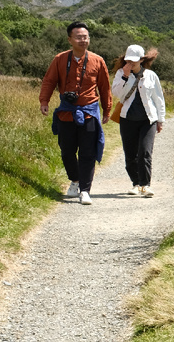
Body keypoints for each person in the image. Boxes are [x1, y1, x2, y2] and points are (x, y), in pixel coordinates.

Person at [40, 22, 111, 205]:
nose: (83, 40)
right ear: (69, 39)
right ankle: (75, 180)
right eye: (79, 37)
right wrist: (44, 101)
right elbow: (49, 81)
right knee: (67, 151)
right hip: (66, 112)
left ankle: (85, 190)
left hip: (89, 111)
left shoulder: (98, 60)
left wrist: (107, 109)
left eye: (85, 37)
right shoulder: (60, 59)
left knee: (87, 152)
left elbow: (104, 88)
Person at [111, 44, 166, 197]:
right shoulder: (121, 74)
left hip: (148, 120)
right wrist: (125, 77)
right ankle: (135, 184)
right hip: (127, 119)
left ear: (142, 60)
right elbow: (117, 93)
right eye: (129, 60)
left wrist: (160, 120)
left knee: (145, 151)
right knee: (130, 154)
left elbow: (159, 99)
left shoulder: (151, 75)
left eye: (135, 60)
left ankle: (145, 185)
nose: (132, 63)